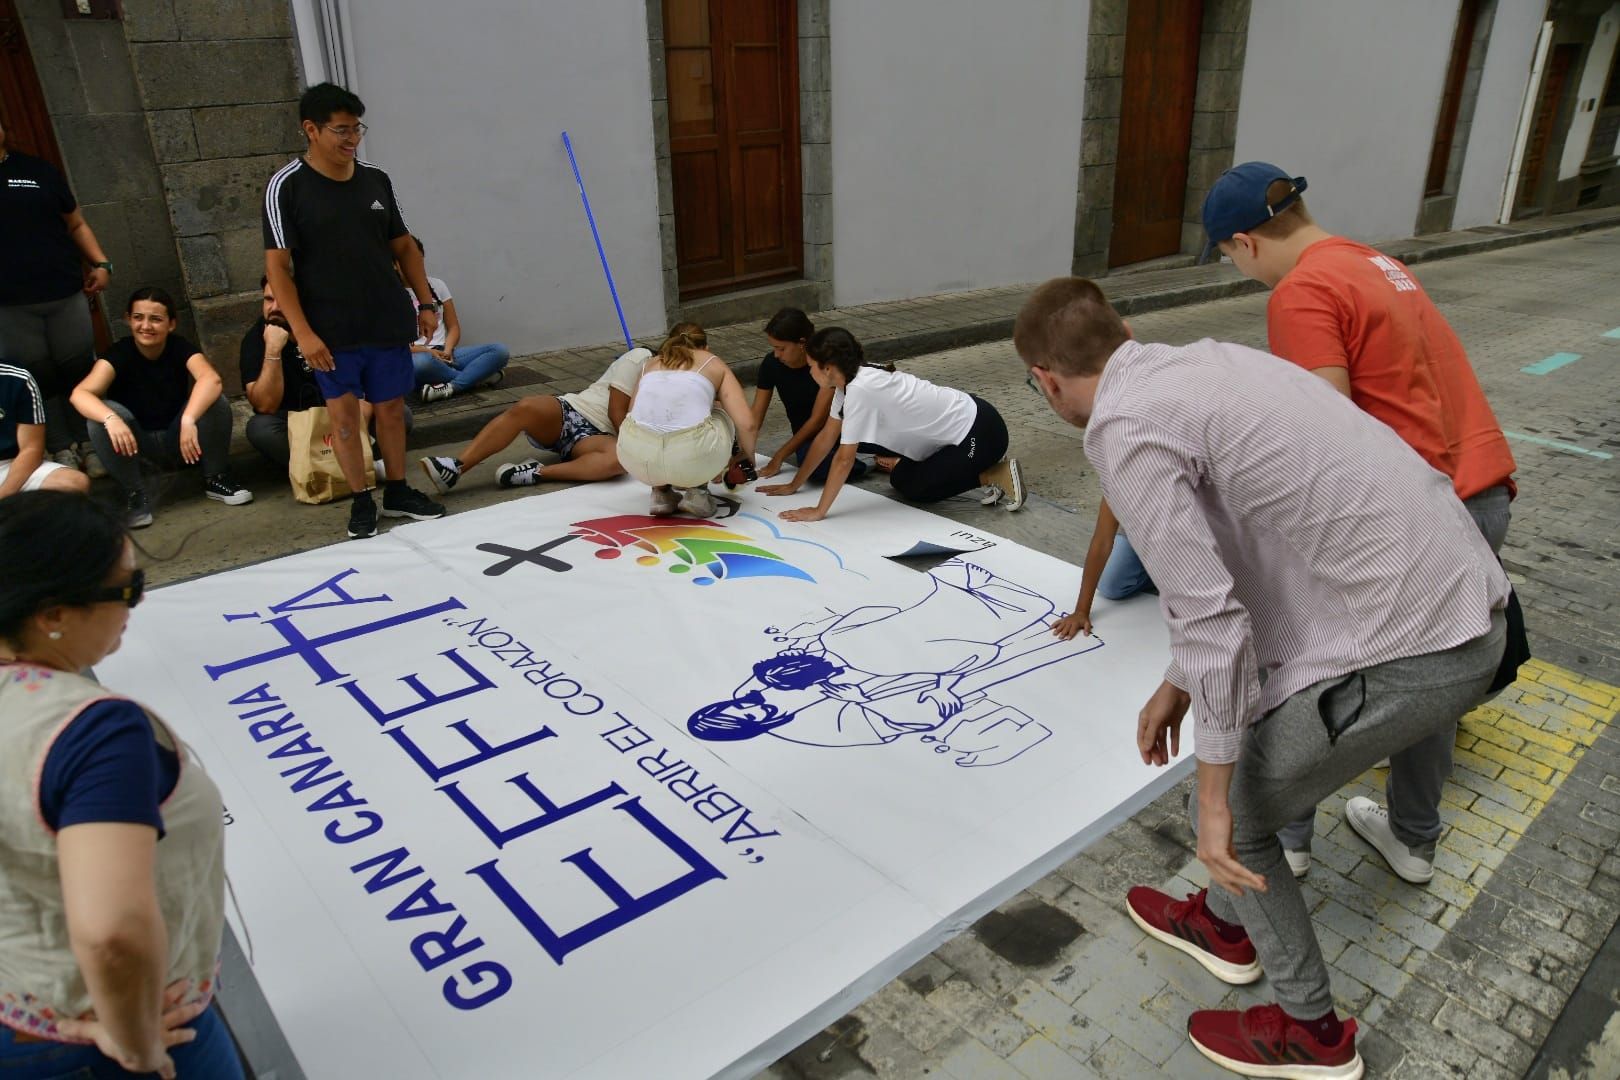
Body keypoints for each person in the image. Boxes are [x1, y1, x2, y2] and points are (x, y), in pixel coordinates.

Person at [1014, 276, 1509, 1080]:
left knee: (1242, 809)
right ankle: (1226, 921)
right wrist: (1181, 679)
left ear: (1045, 378)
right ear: (1124, 330)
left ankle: (1312, 1033)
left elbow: (1210, 620)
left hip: (1419, 645)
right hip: (1456, 595)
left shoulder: (1122, 426)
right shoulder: (1207, 363)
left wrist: (1212, 805)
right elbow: (1249, 554)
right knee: (1261, 743)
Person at [1203, 161, 1519, 881]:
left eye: (1227, 257)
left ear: (1245, 242)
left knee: (1311, 664)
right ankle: (1413, 838)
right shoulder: (1377, 263)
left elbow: (1325, 434)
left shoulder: (1302, 291)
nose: (1237, 270)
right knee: (1437, 670)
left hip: (1401, 521)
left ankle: (1287, 838)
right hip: (1478, 494)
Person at [0, 490, 241, 1080]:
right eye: (126, 590)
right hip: (116, 1033)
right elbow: (112, 933)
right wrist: (135, 1045)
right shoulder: (94, 733)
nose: (135, 605)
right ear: (51, 613)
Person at [262, 81, 445, 540]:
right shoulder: (287, 187)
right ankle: (362, 500)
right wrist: (303, 333)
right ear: (311, 129)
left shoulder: (376, 179)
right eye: (341, 130)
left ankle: (399, 490)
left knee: (389, 409)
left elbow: (403, 246)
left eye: (356, 129)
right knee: (343, 416)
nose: (352, 140)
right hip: (330, 329)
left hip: (385, 317)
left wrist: (425, 301)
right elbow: (278, 268)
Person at [760, 327, 1025, 521]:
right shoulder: (848, 382)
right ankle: (972, 465)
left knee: (921, 490)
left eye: (811, 367)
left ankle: (993, 473)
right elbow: (826, 437)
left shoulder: (860, 390)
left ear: (828, 368)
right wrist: (795, 484)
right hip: (960, 430)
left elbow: (843, 459)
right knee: (902, 481)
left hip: (979, 431)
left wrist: (819, 511)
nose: (809, 372)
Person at [71, 288, 252, 529]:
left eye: (155, 319)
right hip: (137, 448)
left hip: (179, 441)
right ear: (128, 319)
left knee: (214, 401)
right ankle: (134, 494)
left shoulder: (179, 347)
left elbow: (211, 379)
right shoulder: (118, 354)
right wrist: (110, 418)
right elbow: (80, 394)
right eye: (138, 317)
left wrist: (189, 419)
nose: (146, 326)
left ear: (171, 324)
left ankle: (216, 478)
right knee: (99, 417)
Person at [0, 119, 112, 478]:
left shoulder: (38, 170)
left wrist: (100, 262)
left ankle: (92, 444)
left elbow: (76, 223)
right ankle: (61, 447)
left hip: (64, 292)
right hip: (11, 304)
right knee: (35, 376)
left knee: (78, 365)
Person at [239, 276, 412, 474]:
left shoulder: (331, 327)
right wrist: (272, 352)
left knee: (401, 413)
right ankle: (348, 468)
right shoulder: (256, 339)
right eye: (269, 300)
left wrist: (349, 432)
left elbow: (367, 389)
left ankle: (344, 467)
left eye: (283, 300)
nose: (274, 308)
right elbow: (264, 405)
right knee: (260, 429)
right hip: (298, 429)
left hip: (345, 415)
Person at [419, 345, 648, 493]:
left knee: (617, 462)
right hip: (573, 410)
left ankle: (534, 473)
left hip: (600, 438)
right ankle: (456, 467)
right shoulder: (642, 356)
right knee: (527, 406)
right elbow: (615, 411)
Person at [615, 323, 757, 518]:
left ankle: (660, 494)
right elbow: (747, 423)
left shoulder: (649, 364)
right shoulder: (712, 362)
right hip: (691, 458)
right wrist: (746, 456)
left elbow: (633, 414)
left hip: (635, 458)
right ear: (706, 348)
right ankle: (698, 494)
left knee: (653, 421)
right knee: (720, 410)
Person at [750, 308, 867, 485]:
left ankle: (869, 460)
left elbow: (818, 419)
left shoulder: (823, 363)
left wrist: (780, 456)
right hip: (808, 437)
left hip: (844, 427)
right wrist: (744, 450)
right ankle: (862, 463)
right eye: (774, 348)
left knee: (896, 443)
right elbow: (756, 416)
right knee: (815, 467)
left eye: (781, 348)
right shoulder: (771, 364)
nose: (776, 354)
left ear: (801, 343)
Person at [404, 238, 510, 402]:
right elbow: (392, 344)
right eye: (407, 261)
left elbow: (453, 327)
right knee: (421, 365)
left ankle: (450, 387)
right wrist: (429, 352)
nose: (415, 267)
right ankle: (476, 379)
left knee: (499, 350)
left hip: (446, 353)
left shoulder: (437, 285)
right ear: (395, 264)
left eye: (418, 260)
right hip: (416, 356)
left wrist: (447, 350)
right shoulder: (390, 292)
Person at [1050, 499, 1154, 640]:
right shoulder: (1119, 480)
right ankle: (1156, 574)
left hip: (1187, 540)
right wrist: (1081, 611)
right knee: (1110, 584)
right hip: (1142, 534)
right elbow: (1102, 541)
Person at [0, 363, 89, 498]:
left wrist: (4, 495)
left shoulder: (17, 378)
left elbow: (31, 449)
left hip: (7, 465)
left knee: (74, 484)